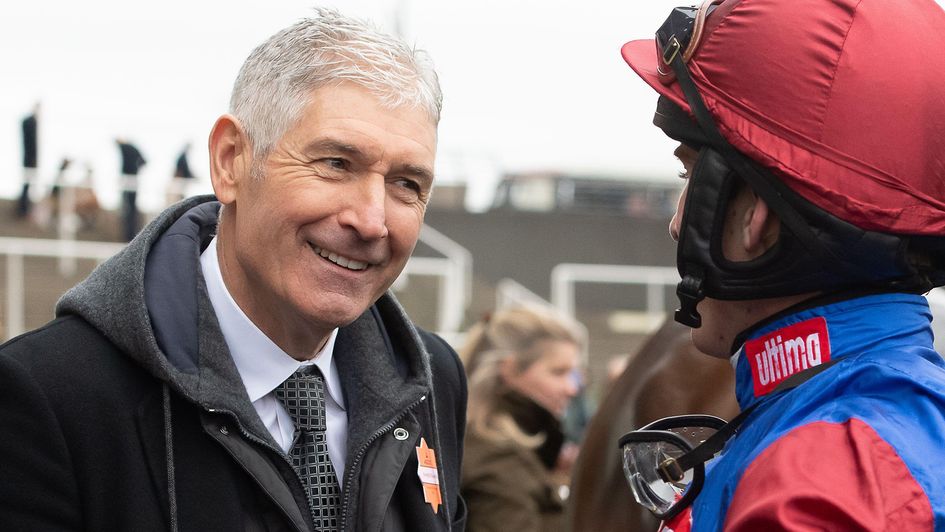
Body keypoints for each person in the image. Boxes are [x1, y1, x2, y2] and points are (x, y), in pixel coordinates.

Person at [0, 8, 467, 531]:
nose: (371, 220)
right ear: (230, 161)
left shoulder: (433, 379)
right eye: (336, 164)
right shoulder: (47, 396)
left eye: (406, 183)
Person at [618, 0, 945, 530]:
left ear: (758, 217)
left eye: (688, 180)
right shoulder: (885, 414)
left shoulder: (816, 486)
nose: (677, 224)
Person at [459, 306, 585, 532]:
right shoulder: (497, 460)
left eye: (573, 374)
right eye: (558, 372)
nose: (572, 388)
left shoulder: (506, 450)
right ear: (511, 370)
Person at [115, 137, 147, 241]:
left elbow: (143, 161)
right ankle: (130, 235)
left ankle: (129, 236)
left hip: (129, 181)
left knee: (129, 210)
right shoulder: (131, 147)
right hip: (131, 180)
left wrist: (132, 171)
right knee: (130, 209)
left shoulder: (125, 147)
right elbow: (143, 161)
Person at [17, 102, 40, 218]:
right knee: (26, 185)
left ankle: (25, 209)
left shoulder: (31, 121)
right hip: (29, 159)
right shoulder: (30, 121)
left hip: (30, 159)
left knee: (28, 185)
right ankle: (23, 209)